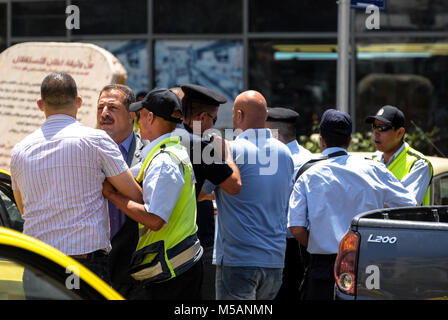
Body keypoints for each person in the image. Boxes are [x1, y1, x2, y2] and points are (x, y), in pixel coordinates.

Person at [10, 72, 143, 288]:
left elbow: (23, 209)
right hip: (80, 263)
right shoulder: (97, 140)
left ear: (40, 104)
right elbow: (135, 195)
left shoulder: (19, 151)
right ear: (79, 102)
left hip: (36, 264)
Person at [288, 109, 417, 300]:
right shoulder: (373, 169)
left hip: (324, 265)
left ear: (321, 140)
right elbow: (409, 205)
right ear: (349, 141)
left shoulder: (308, 176)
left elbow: (296, 228)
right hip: (368, 262)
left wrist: (316, 244)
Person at [102, 88, 203, 300]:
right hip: (175, 266)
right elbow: (128, 176)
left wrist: (112, 196)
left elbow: (154, 220)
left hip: (173, 272)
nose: (137, 120)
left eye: (141, 114)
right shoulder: (166, 151)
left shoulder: (164, 161)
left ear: (150, 117)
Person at [202, 90, 295, 300]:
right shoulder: (284, 152)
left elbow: (201, 193)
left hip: (238, 261)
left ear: (239, 115)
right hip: (274, 262)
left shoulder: (229, 149)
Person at [173, 84, 242, 300]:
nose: (213, 125)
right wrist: (226, 152)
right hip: (188, 241)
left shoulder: (167, 135)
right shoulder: (200, 146)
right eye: (213, 120)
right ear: (202, 117)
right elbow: (234, 185)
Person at [96, 84, 147, 299]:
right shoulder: (85, 150)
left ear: (132, 116)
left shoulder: (149, 151)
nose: (104, 114)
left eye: (113, 108)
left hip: (137, 263)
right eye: (100, 108)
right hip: (94, 258)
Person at [265, 107, 312, 301]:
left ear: (273, 133)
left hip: (281, 243)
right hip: (305, 242)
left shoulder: (275, 160)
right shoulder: (309, 157)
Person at [366, 105, 433, 205]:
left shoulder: (418, 164)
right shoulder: (370, 161)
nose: (375, 133)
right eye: (374, 127)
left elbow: (404, 207)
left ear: (400, 133)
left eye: (382, 128)